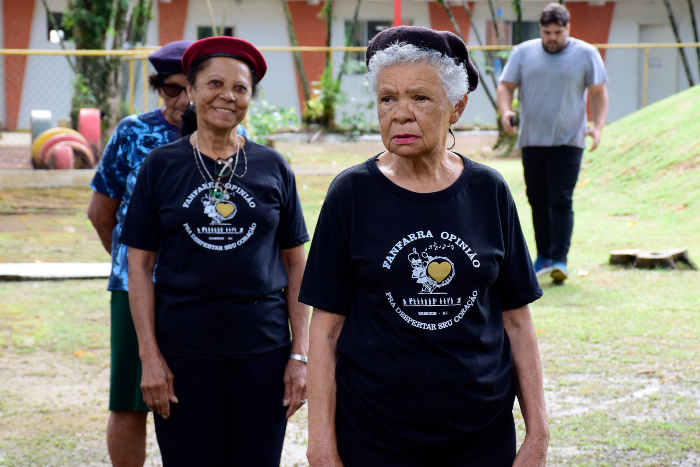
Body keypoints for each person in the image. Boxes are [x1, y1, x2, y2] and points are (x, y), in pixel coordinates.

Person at [300, 26, 549, 467]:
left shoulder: (488, 191)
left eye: (419, 98)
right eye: (387, 99)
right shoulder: (351, 194)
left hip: (481, 436)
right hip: (374, 436)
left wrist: (538, 437)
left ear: (457, 108)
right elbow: (325, 331)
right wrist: (320, 447)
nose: (400, 114)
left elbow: (517, 323)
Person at [118, 36, 309, 466]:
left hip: (263, 351)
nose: (228, 95)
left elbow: (296, 264)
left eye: (240, 88)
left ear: (250, 99)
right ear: (191, 91)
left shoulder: (273, 167)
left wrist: (300, 356)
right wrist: (150, 358)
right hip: (183, 353)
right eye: (215, 83)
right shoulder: (161, 166)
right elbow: (140, 264)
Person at [88, 40, 246, 467]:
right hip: (133, 287)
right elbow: (101, 211)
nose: (180, 100)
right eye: (169, 89)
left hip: (199, 291)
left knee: (203, 396)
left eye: (186, 88)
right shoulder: (132, 133)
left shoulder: (236, 134)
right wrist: (130, 265)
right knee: (130, 398)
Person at [497, 3, 609, 283]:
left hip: (570, 140)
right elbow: (505, 85)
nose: (552, 38)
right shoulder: (523, 52)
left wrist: (598, 127)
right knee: (536, 199)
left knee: (561, 199)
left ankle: (560, 258)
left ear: (568, 28)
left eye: (557, 32)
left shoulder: (586, 53)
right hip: (532, 140)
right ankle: (544, 256)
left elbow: (599, 92)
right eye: (547, 32)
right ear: (541, 29)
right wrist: (505, 112)